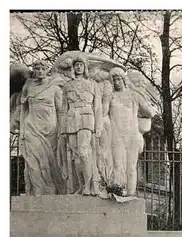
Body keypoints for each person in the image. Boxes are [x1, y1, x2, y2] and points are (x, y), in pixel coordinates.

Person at [103, 67, 155, 196]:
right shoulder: (110, 96)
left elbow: (150, 112)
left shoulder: (134, 95)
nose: (116, 82)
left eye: (118, 79)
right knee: (117, 164)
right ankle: (118, 190)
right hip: (116, 135)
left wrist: (140, 116)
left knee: (131, 166)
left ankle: (131, 193)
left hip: (131, 134)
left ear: (124, 79)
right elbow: (103, 112)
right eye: (114, 80)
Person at [19, 59, 65, 195]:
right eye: (36, 69)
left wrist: (62, 130)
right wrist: (22, 129)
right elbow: (24, 109)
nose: (39, 71)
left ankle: (51, 188)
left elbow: (60, 110)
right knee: (33, 161)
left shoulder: (55, 88)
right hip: (31, 125)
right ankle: (37, 190)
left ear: (46, 70)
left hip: (50, 128)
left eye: (42, 68)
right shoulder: (28, 87)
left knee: (50, 162)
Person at [60, 54, 102, 196]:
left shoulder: (93, 85)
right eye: (76, 65)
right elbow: (63, 108)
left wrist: (99, 126)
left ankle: (88, 185)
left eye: (81, 65)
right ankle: (81, 185)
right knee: (76, 155)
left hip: (86, 117)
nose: (78, 67)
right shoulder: (68, 85)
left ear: (85, 68)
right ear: (73, 67)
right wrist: (62, 128)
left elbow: (98, 107)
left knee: (84, 151)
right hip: (72, 118)